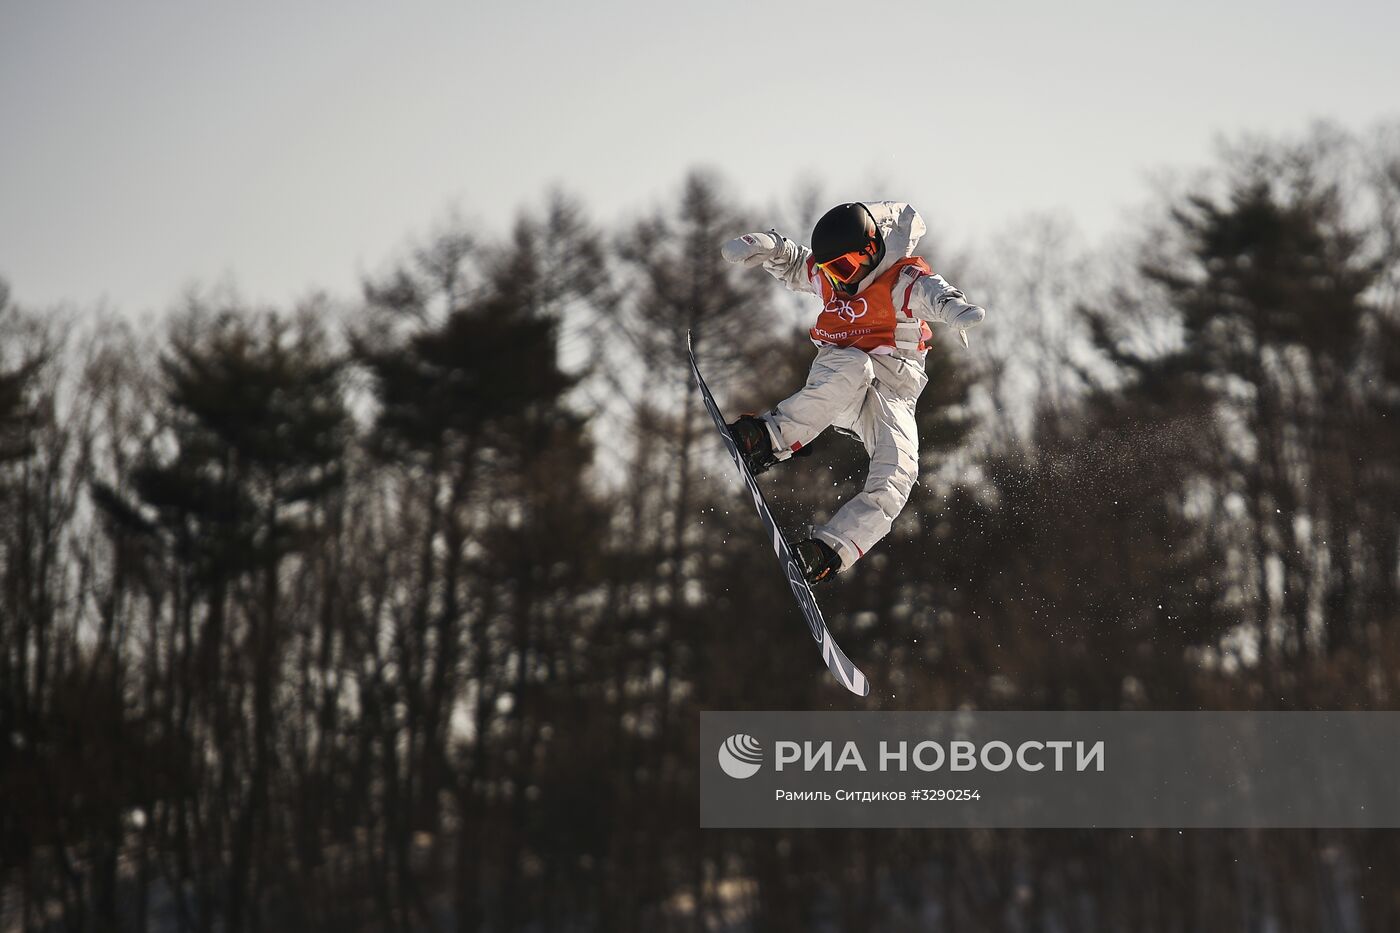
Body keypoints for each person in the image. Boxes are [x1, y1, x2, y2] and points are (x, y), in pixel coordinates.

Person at [720, 201, 986, 586]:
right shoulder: (833, 278)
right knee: (852, 366)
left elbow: (932, 292)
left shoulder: (899, 281)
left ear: (869, 251)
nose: (838, 281)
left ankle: (828, 551)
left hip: (891, 395)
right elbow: (798, 263)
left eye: (843, 268)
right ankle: (767, 439)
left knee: (900, 474)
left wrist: (952, 307)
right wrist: (769, 247)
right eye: (830, 272)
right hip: (839, 378)